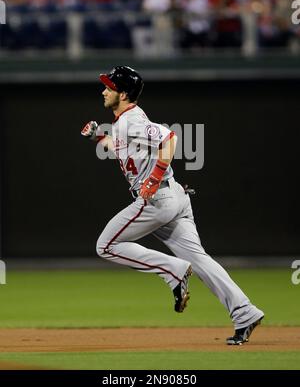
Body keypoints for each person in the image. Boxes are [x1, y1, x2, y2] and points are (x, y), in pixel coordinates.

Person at [81, 65, 264, 345]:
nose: (104, 90)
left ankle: (172, 272)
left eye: (110, 87)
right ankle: (245, 313)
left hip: (158, 200)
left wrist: (152, 181)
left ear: (125, 93)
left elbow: (170, 139)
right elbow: (123, 147)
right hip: (175, 197)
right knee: (200, 260)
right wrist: (98, 137)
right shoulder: (125, 123)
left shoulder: (131, 121)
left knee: (105, 246)